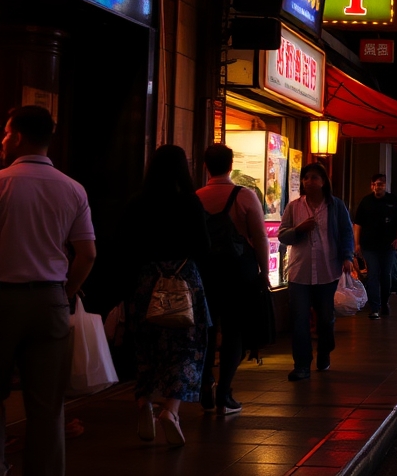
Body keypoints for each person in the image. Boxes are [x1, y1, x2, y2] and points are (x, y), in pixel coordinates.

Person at [0, 105, 96, 476]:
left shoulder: (3, 183)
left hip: (3, 298)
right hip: (50, 300)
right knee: (47, 404)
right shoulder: (73, 189)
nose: (3, 139)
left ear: (19, 136)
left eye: (6, 133)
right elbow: (87, 253)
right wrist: (66, 292)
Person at [123, 145, 211, 447]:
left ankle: (144, 403)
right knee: (186, 350)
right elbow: (204, 246)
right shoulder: (190, 203)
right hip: (184, 283)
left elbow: (127, 248)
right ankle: (170, 412)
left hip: (146, 283)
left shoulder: (137, 203)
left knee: (147, 349)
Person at [197, 144, 271, 416]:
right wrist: (263, 271)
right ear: (230, 166)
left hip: (206, 273)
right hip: (240, 271)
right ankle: (224, 394)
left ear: (206, 166)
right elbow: (260, 237)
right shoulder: (244, 196)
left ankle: (205, 385)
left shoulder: (197, 197)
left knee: (206, 330)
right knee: (234, 332)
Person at [278, 162, 355, 381]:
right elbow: (283, 235)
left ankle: (324, 351)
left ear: (323, 182)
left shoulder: (335, 206)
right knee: (300, 320)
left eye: (314, 177)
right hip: (299, 272)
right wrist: (298, 230)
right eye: (306, 178)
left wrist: (347, 257)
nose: (309, 182)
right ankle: (301, 365)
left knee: (325, 319)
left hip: (326, 270)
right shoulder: (294, 207)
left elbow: (346, 232)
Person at [353, 174, 397, 320]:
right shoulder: (366, 202)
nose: (377, 187)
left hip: (387, 245)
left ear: (385, 185)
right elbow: (358, 224)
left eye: (380, 184)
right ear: (371, 186)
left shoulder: (393, 201)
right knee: (373, 274)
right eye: (375, 184)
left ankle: (384, 301)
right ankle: (375, 307)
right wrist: (357, 243)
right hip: (369, 245)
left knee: (386, 275)